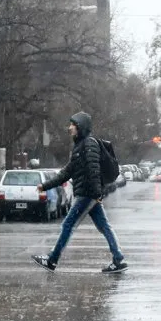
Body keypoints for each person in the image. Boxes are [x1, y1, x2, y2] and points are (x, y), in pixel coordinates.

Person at [31, 111, 128, 273]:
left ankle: (52, 260)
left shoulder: (89, 144)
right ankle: (118, 259)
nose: (69, 128)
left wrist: (97, 194)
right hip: (90, 194)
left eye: (72, 125)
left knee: (68, 224)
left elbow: (93, 171)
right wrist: (45, 186)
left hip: (87, 194)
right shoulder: (79, 146)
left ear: (80, 127)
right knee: (104, 226)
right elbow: (66, 172)